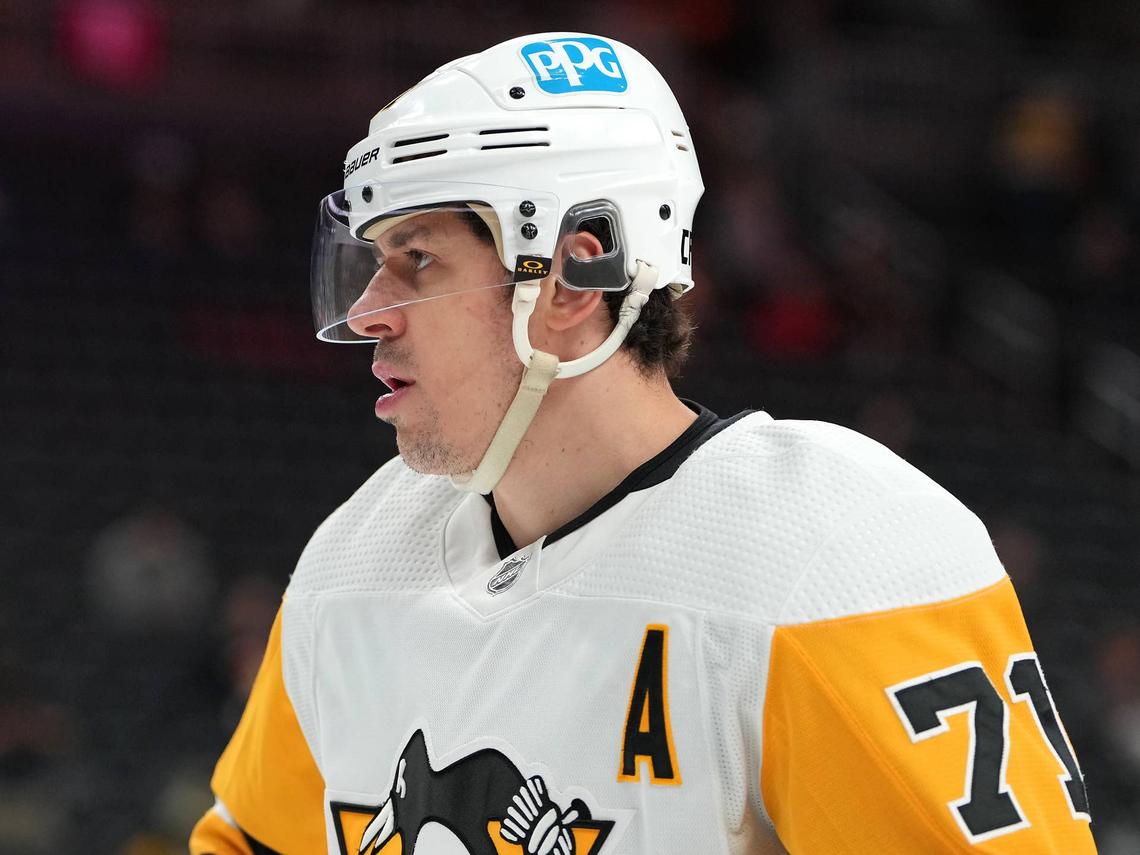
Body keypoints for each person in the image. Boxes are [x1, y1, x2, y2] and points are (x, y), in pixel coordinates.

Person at [191, 32, 1097, 855]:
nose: (366, 312)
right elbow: (251, 841)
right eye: (374, 259)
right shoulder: (357, 560)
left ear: (577, 272)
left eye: (417, 259)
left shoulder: (821, 552)